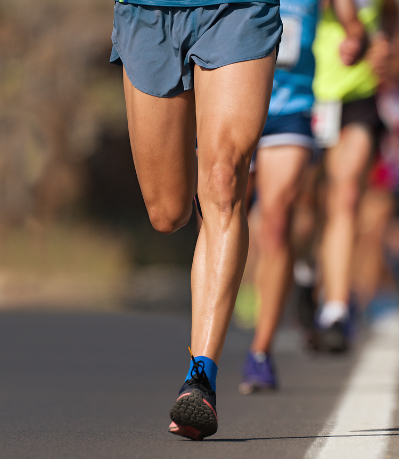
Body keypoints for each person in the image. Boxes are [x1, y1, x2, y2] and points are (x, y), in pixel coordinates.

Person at [109, 0, 281, 441]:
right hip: (148, 12)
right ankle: (208, 221)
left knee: (224, 180)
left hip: (238, 10)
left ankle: (200, 379)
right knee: (167, 212)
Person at [239, 0, 366, 394]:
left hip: (290, 108)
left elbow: (353, 23)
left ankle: (260, 352)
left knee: (277, 221)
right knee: (219, 214)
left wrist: (355, 39)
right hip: (232, 103)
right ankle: (206, 344)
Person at [310, 0, 399, 352]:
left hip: (359, 96)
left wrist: (387, 47)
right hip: (310, 91)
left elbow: (392, 19)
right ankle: (306, 275)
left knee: (346, 197)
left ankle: (335, 309)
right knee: (302, 207)